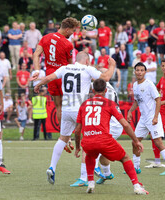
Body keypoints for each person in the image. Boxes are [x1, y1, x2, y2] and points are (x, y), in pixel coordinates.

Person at [34, 52, 116, 185]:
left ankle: (52, 167)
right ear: (87, 60)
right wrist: (112, 66)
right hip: (80, 109)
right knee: (87, 140)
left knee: (63, 139)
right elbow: (105, 78)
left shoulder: (65, 68)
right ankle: (83, 177)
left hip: (66, 109)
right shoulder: (87, 69)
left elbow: (48, 78)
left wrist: (38, 85)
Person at [74, 78, 148, 195]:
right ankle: (136, 186)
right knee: (125, 158)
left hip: (88, 140)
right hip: (103, 140)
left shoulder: (84, 104)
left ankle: (91, 182)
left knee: (89, 155)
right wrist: (136, 141)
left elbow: (77, 130)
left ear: (92, 90)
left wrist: (78, 147)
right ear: (105, 91)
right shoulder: (109, 103)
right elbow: (124, 124)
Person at [31, 17, 80, 128]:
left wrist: (37, 70)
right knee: (70, 106)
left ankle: (64, 136)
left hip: (50, 76)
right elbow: (70, 65)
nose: (72, 34)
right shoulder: (68, 44)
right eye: (72, 31)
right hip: (63, 76)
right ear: (67, 29)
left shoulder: (45, 37)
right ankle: (71, 134)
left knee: (58, 106)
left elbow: (36, 54)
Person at [128, 62, 165, 175]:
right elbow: (137, 101)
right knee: (135, 142)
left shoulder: (149, 84)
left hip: (152, 117)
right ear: (134, 71)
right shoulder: (135, 85)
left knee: (158, 142)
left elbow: (158, 100)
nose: (139, 72)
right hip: (143, 119)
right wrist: (130, 111)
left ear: (145, 72)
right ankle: (136, 167)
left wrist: (155, 117)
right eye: (137, 70)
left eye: (141, 70)